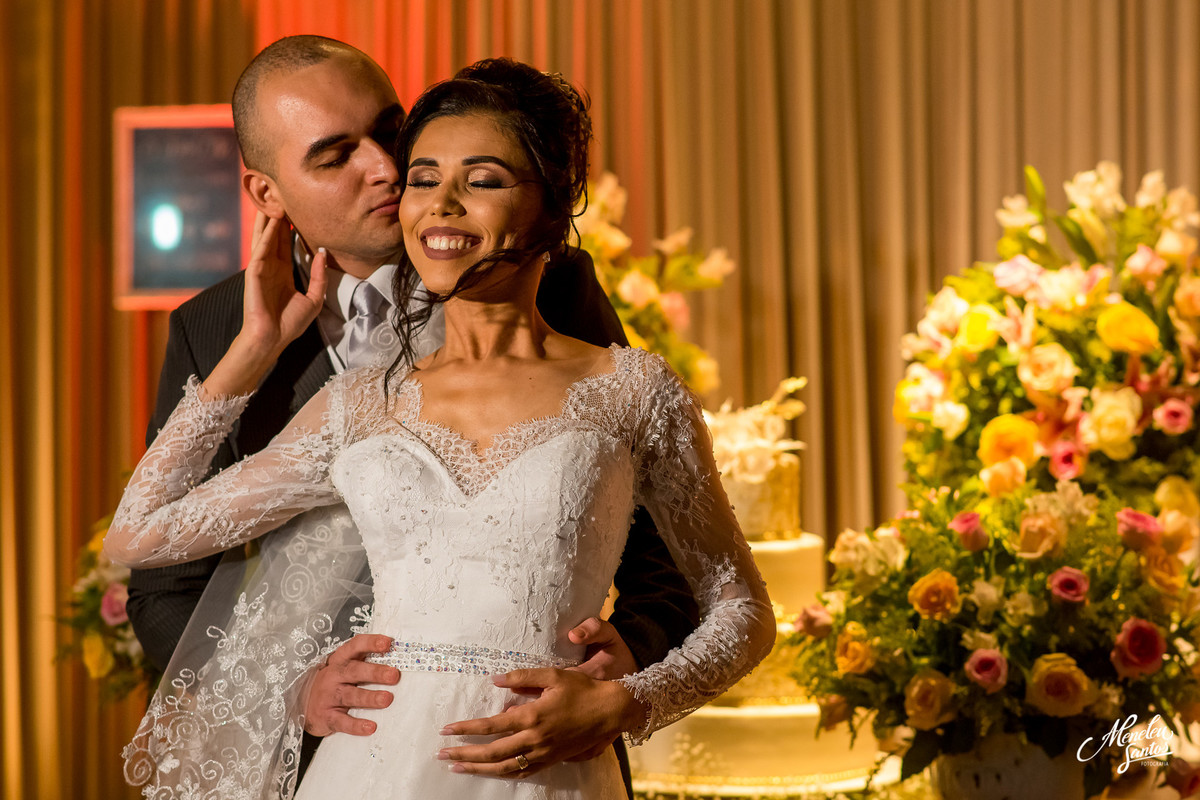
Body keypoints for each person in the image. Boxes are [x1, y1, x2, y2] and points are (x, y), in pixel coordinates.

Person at [106, 57, 774, 798]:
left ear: (553, 201)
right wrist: (254, 351)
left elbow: (723, 596)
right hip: (365, 763)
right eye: (425, 176)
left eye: (480, 180)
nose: (414, 190)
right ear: (267, 192)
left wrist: (627, 693)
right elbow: (142, 544)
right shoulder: (357, 398)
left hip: (554, 764)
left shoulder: (630, 384)